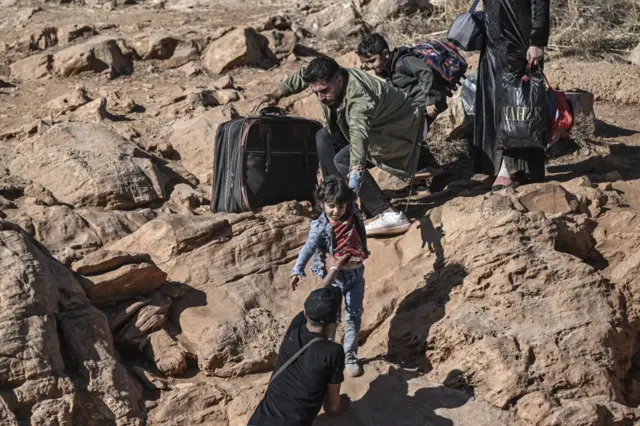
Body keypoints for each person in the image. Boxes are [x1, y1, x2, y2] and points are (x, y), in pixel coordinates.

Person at [252, 56, 424, 237]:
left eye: (324, 91)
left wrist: (356, 170)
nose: (321, 97)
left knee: (344, 159)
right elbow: (304, 74)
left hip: (401, 130)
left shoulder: (359, 99)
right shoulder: (333, 73)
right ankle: (336, 203)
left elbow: (359, 135)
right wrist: (276, 94)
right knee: (324, 137)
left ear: (339, 81)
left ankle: (388, 213)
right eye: (316, 92)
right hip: (378, 125)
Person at [248, 254, 353, 426]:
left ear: (305, 314)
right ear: (336, 319)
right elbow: (332, 408)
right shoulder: (332, 352)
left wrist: (333, 269)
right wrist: (339, 407)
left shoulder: (295, 329)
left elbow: (313, 299)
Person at [291, 176, 368, 377]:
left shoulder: (350, 210)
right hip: (334, 278)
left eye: (340, 206)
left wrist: (356, 173)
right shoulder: (320, 226)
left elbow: (353, 187)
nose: (336, 211)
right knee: (331, 317)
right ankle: (329, 354)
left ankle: (350, 355)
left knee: (354, 315)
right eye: (331, 206)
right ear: (322, 203)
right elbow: (309, 247)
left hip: (356, 274)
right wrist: (298, 269)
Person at [474, 0, 550, 190]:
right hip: (493, 42)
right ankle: (496, 165)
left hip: (519, 38)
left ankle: (511, 170)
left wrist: (537, 41)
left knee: (517, 104)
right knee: (495, 100)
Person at [356, 33, 450, 182]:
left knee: (410, 134)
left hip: (424, 105)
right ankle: (424, 178)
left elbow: (425, 72)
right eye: (367, 62)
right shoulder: (387, 68)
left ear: (386, 54)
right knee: (408, 137)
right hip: (412, 108)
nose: (370, 66)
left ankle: (429, 166)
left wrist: (430, 100)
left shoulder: (403, 61)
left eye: (372, 61)